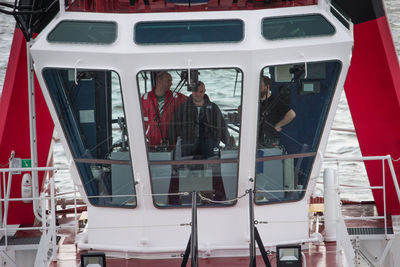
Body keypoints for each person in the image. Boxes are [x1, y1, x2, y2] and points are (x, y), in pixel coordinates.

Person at [168, 81, 232, 159]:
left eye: (201, 91)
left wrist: (228, 142)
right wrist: (170, 144)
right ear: (192, 91)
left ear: (204, 91)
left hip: (209, 142)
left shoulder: (214, 108)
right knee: (186, 168)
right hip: (188, 142)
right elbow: (174, 126)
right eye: (195, 91)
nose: (198, 94)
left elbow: (221, 126)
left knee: (212, 165)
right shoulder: (183, 108)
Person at [141, 71, 187, 149]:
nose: (171, 83)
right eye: (168, 81)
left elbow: (193, 100)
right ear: (159, 81)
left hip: (172, 141)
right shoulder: (145, 98)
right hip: (152, 142)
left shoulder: (176, 96)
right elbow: (140, 122)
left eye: (171, 81)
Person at [258, 76, 296, 146]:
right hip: (256, 138)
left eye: (260, 86)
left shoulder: (276, 101)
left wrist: (278, 125)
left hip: (271, 140)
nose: (257, 89)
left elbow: (291, 114)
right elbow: (240, 108)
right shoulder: (254, 101)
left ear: (267, 87)